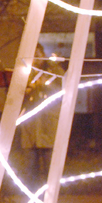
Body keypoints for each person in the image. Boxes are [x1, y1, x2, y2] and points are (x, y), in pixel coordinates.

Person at [19, 44, 64, 189]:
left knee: (51, 169)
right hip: (30, 126)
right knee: (29, 169)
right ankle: (32, 202)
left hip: (48, 125)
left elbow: (65, 90)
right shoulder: (24, 72)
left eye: (38, 56)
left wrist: (45, 85)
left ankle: (50, 201)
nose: (35, 60)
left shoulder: (54, 70)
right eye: (32, 57)